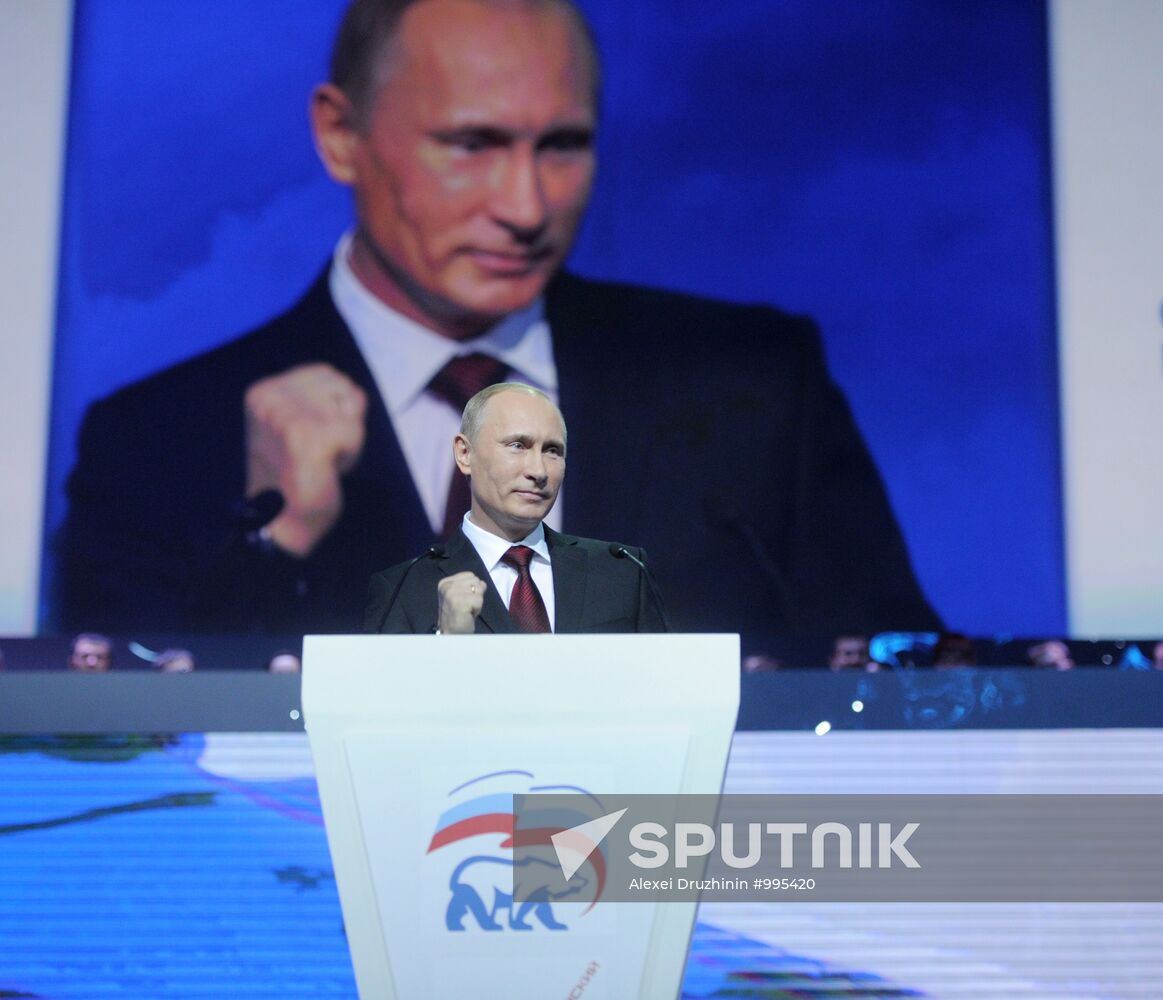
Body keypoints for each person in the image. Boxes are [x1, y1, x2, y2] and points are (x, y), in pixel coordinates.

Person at [55, 0, 940, 637]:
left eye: (561, 146)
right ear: (340, 136)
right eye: (471, 144)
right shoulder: (156, 443)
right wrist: (274, 538)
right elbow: (115, 777)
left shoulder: (753, 389)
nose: (525, 206)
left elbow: (902, 693)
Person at [367, 382, 665, 634]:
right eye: (517, 446)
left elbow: (665, 689)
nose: (538, 471)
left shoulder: (623, 571)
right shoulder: (404, 589)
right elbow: (387, 699)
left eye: (552, 450)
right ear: (464, 453)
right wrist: (447, 642)